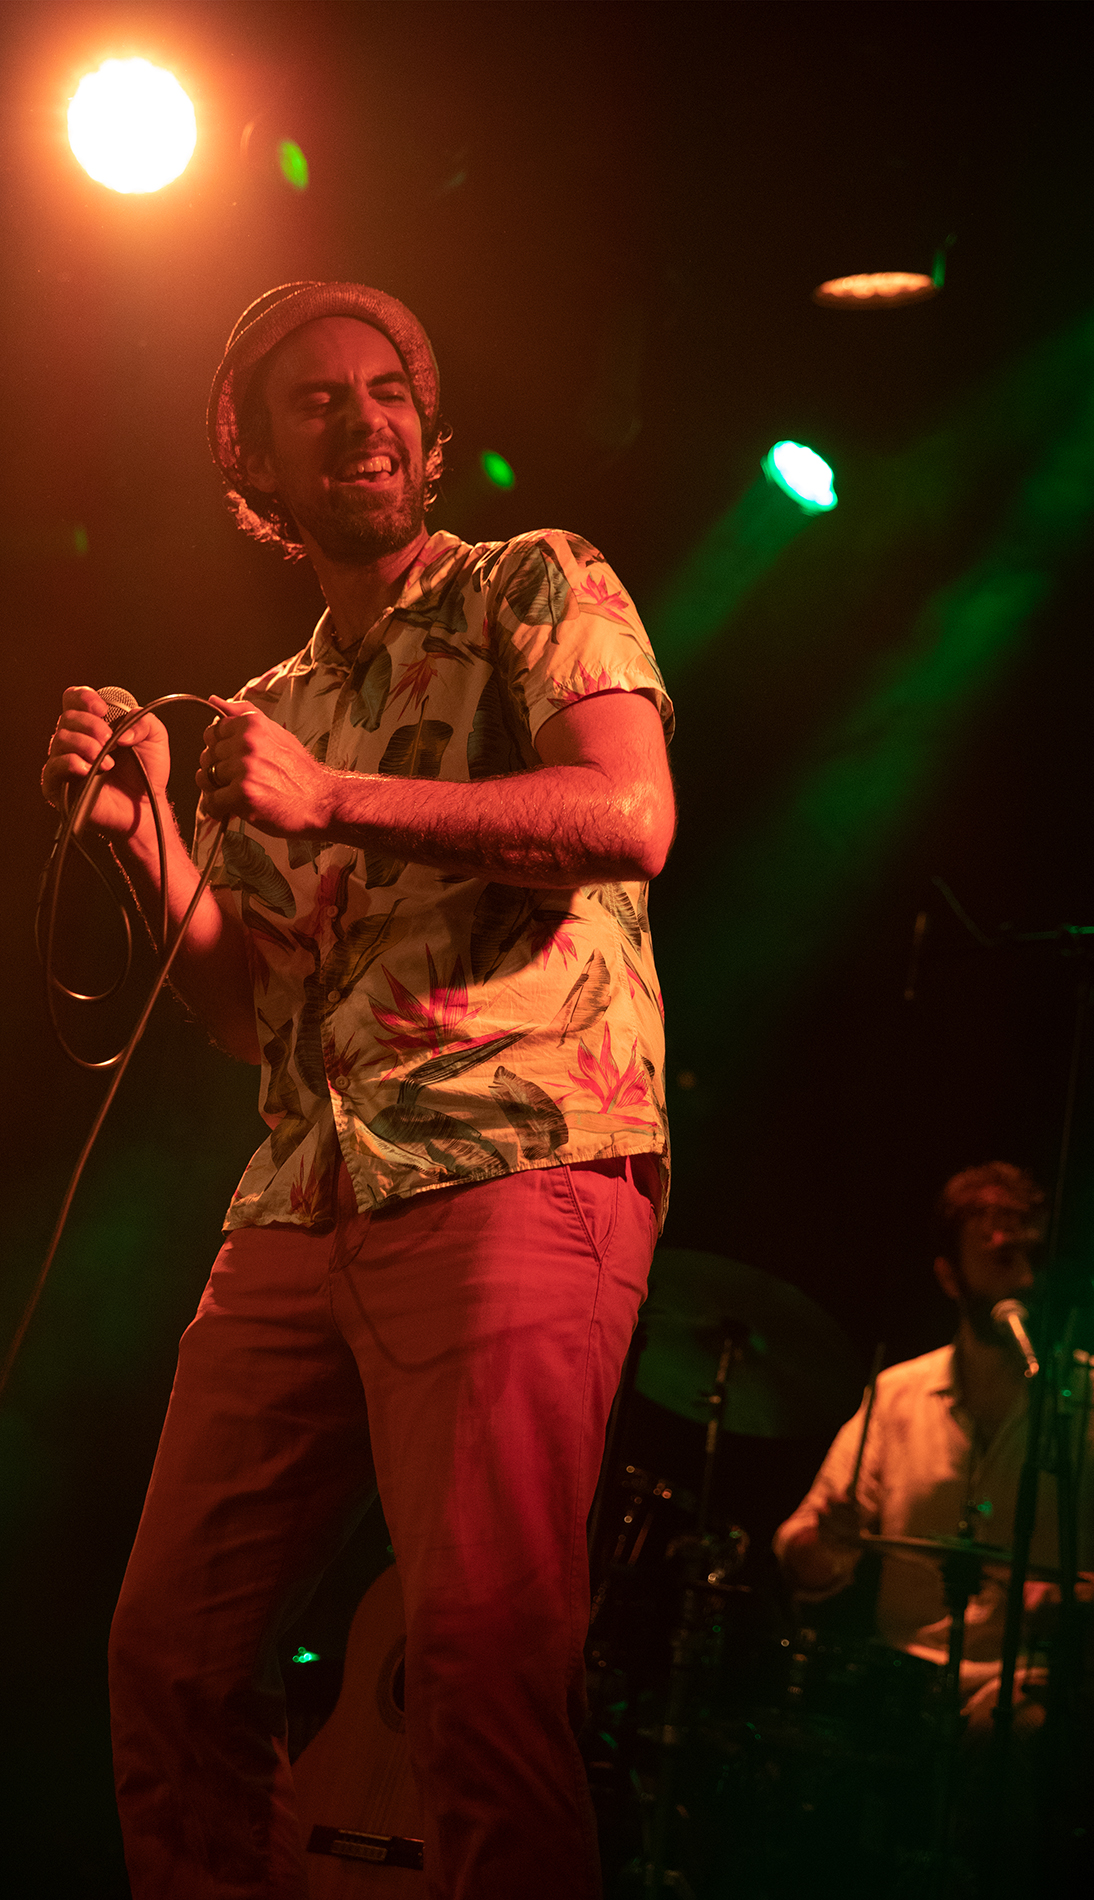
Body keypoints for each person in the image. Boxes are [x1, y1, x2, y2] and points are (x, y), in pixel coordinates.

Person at [42, 281, 676, 1900]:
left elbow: (628, 815)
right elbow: (248, 1011)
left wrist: (335, 799)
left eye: (387, 389)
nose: (363, 418)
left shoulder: (534, 578)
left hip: (512, 1157)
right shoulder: (266, 709)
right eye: (315, 400)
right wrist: (149, 836)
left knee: (475, 1666)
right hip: (300, 1196)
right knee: (171, 1659)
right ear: (253, 465)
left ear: (430, 430)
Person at [773, 1163, 1094, 1731]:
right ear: (948, 1276)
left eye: (1035, 1257)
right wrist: (827, 1544)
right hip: (901, 1681)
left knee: (1021, 1730)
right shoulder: (897, 1394)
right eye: (1001, 1258)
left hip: (1037, 1685)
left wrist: (1083, 1599)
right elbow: (801, 1555)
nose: (1026, 1280)